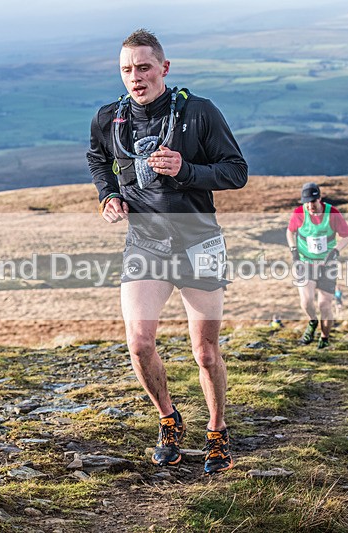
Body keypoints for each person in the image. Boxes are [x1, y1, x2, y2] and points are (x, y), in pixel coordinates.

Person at [87, 29, 248, 474]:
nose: (135, 77)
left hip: (200, 242)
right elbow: (98, 159)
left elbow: (236, 172)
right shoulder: (109, 118)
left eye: (143, 67)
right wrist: (108, 195)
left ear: (164, 68)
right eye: (126, 69)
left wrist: (188, 169)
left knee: (206, 352)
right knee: (139, 344)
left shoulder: (199, 112)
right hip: (146, 243)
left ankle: (217, 432)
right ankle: (169, 420)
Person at [286, 182, 348, 349]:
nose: (310, 206)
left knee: (325, 305)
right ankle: (312, 321)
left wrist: (335, 251)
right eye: (306, 202)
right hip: (305, 262)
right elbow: (290, 231)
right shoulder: (299, 213)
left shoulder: (333, 213)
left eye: (313, 202)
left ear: (320, 199)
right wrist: (294, 250)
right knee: (306, 301)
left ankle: (324, 338)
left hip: (327, 265)